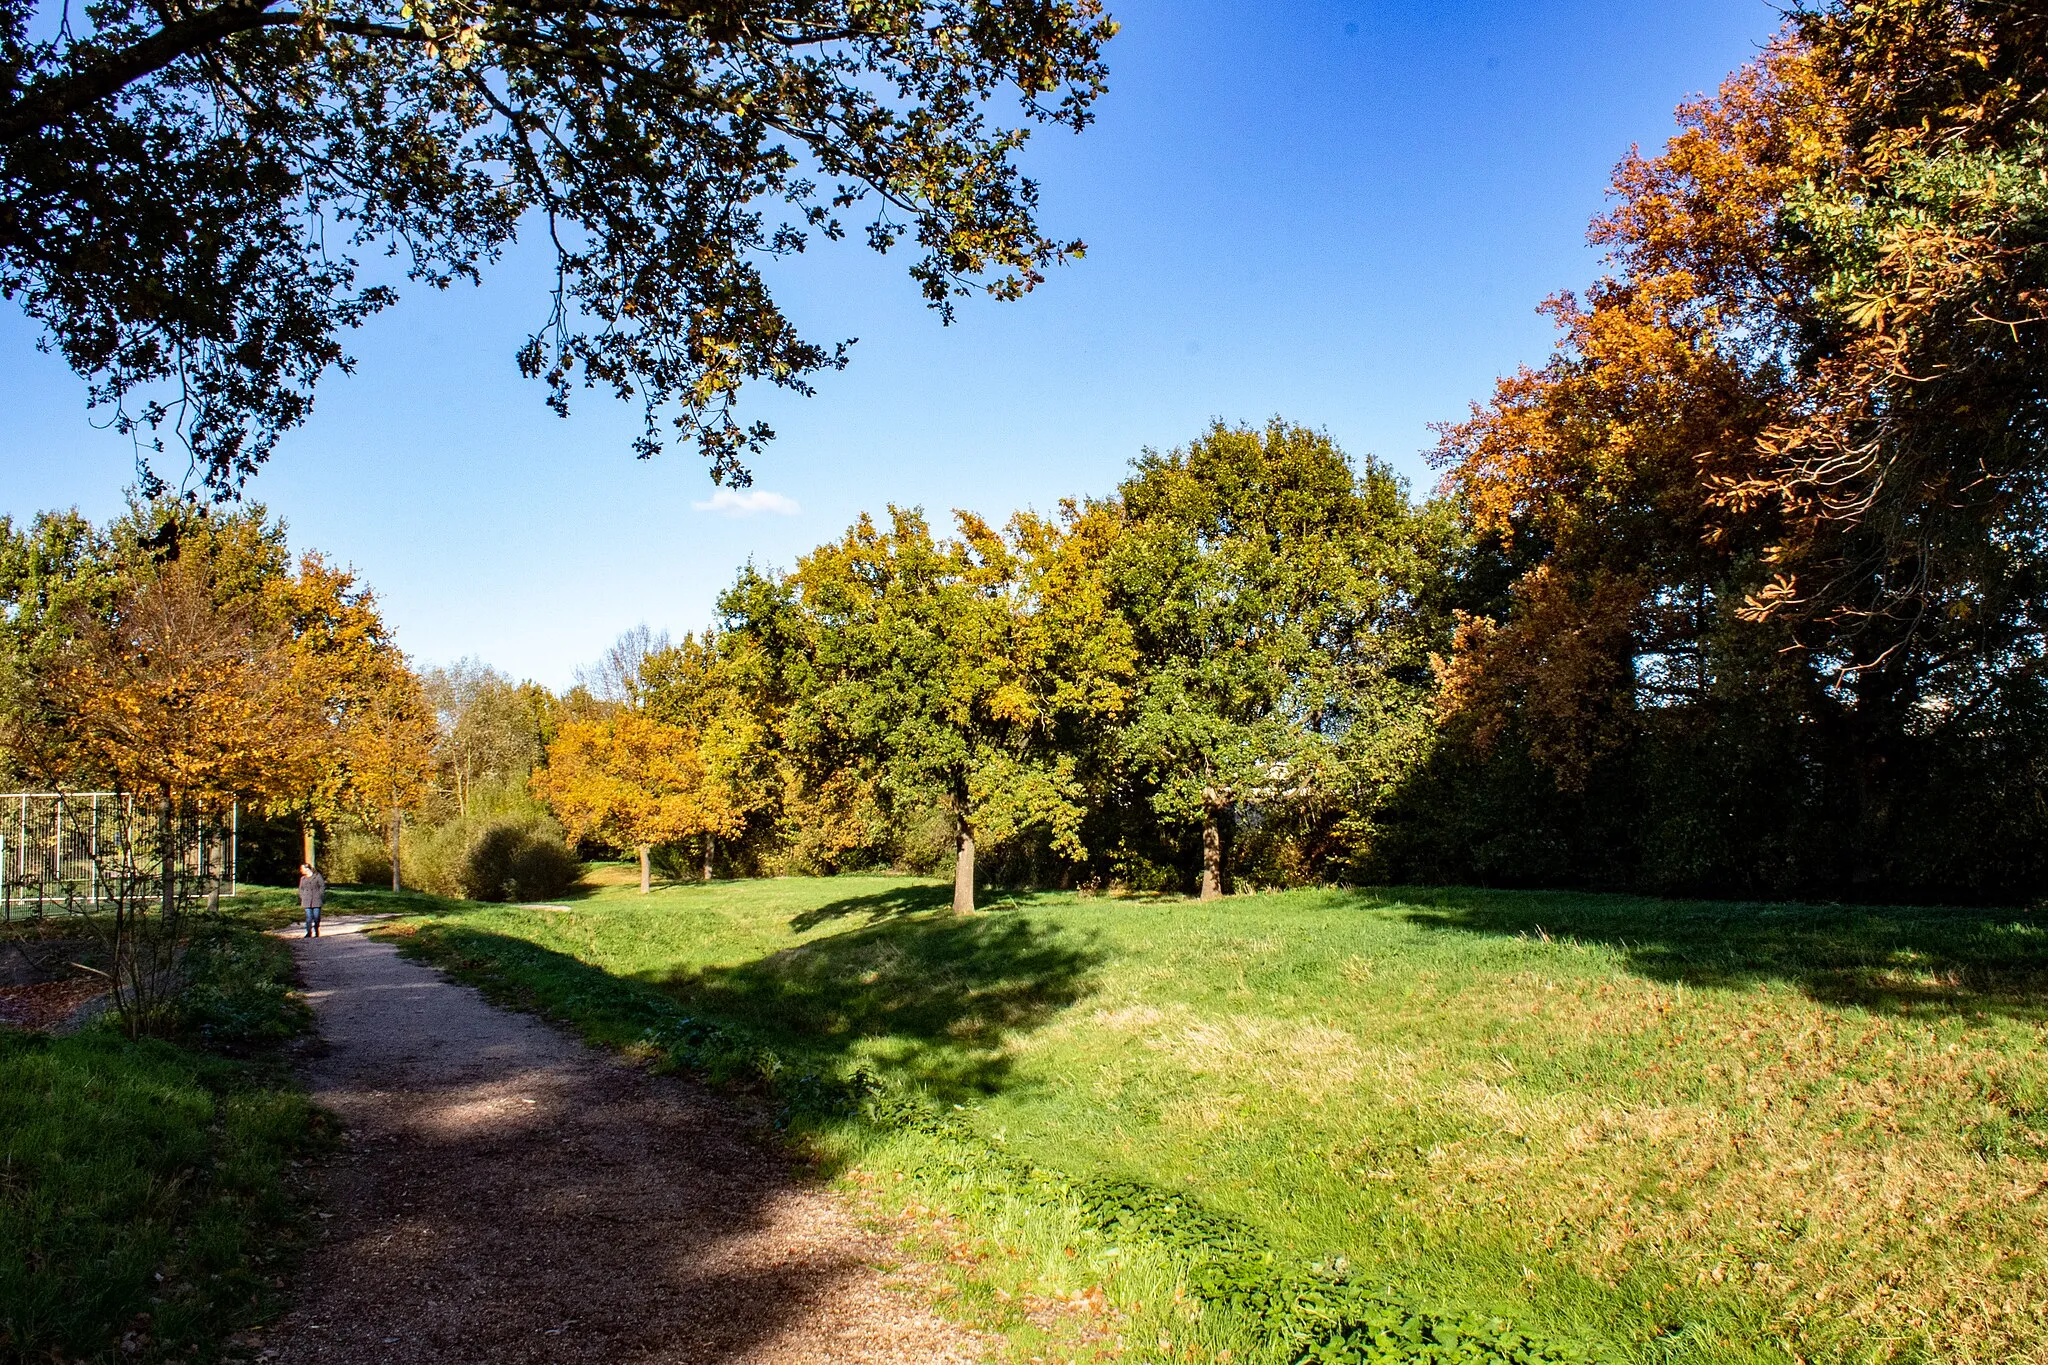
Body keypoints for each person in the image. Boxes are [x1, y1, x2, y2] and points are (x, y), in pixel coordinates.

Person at [298, 862, 326, 938]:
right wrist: (302, 896)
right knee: (308, 917)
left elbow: (322, 886)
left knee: (316, 917)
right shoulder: (302, 879)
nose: (301, 870)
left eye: (302, 869)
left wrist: (320, 895)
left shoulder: (317, 876)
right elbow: (301, 889)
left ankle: (316, 929)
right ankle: (308, 932)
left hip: (316, 900)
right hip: (306, 900)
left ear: (307, 869)